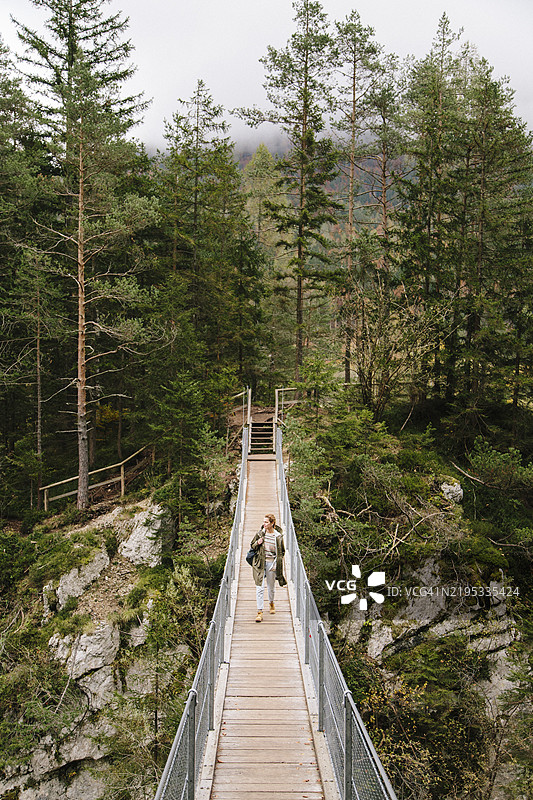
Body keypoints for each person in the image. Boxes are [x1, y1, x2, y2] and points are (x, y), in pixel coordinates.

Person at [249, 513, 286, 622]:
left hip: (271, 563)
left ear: (272, 523)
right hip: (260, 563)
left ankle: (271, 603)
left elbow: (282, 551)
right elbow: (252, 545)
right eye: (264, 522)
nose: (264, 524)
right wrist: (258, 542)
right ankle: (259, 612)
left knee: (271, 586)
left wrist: (277, 562)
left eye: (266, 522)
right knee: (259, 587)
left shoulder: (278, 536)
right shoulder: (260, 534)